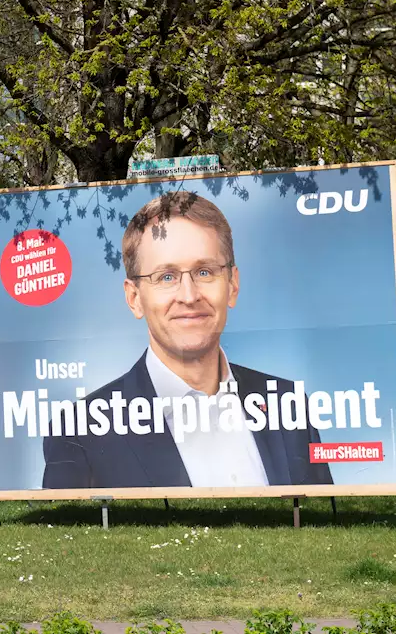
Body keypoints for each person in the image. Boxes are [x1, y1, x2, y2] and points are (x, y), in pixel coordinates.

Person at [42, 191, 334, 489]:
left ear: (232, 285)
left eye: (204, 272)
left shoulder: (287, 403)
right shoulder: (79, 430)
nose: (189, 295)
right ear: (134, 298)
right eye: (166, 277)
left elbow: (322, 526)